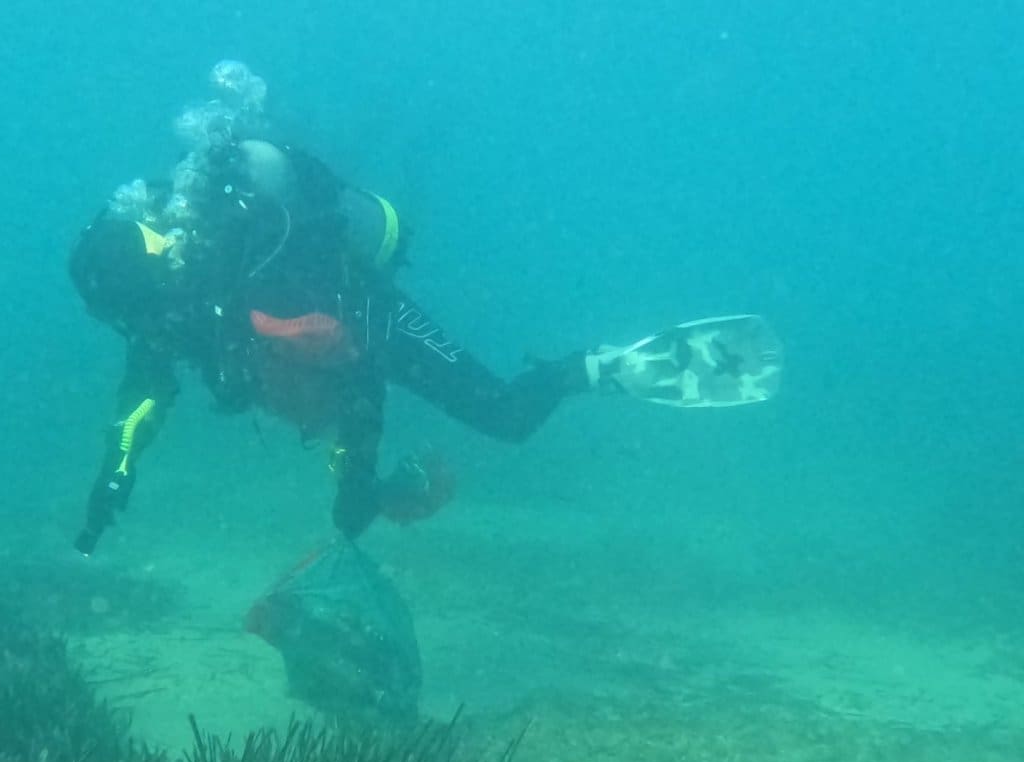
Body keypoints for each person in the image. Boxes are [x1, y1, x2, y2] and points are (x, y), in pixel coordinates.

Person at [69, 62, 782, 556]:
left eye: (147, 316)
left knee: (505, 415)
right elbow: (143, 396)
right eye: (134, 324)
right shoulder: (166, 306)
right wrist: (116, 473)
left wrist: (356, 473)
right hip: (311, 310)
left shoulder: (245, 285)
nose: (149, 332)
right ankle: (416, 137)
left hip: (363, 303)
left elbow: (355, 370)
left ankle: (585, 371)